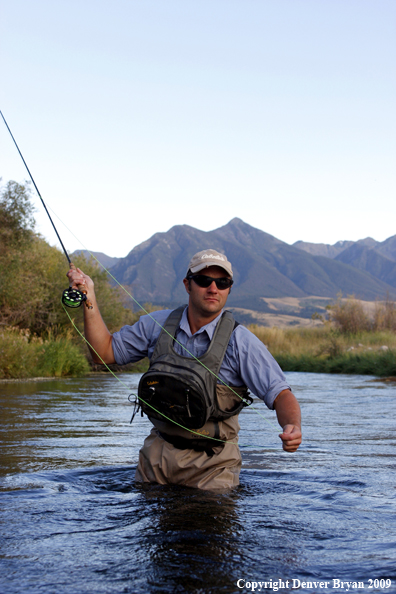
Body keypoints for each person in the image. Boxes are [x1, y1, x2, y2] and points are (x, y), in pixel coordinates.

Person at [67, 249, 302, 490]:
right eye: (203, 280)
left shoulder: (242, 341)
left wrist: (292, 427)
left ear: (229, 289)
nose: (213, 288)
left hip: (214, 466)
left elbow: (281, 394)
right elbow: (102, 353)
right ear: (187, 284)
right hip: (156, 459)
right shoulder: (155, 325)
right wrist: (89, 297)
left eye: (222, 283)